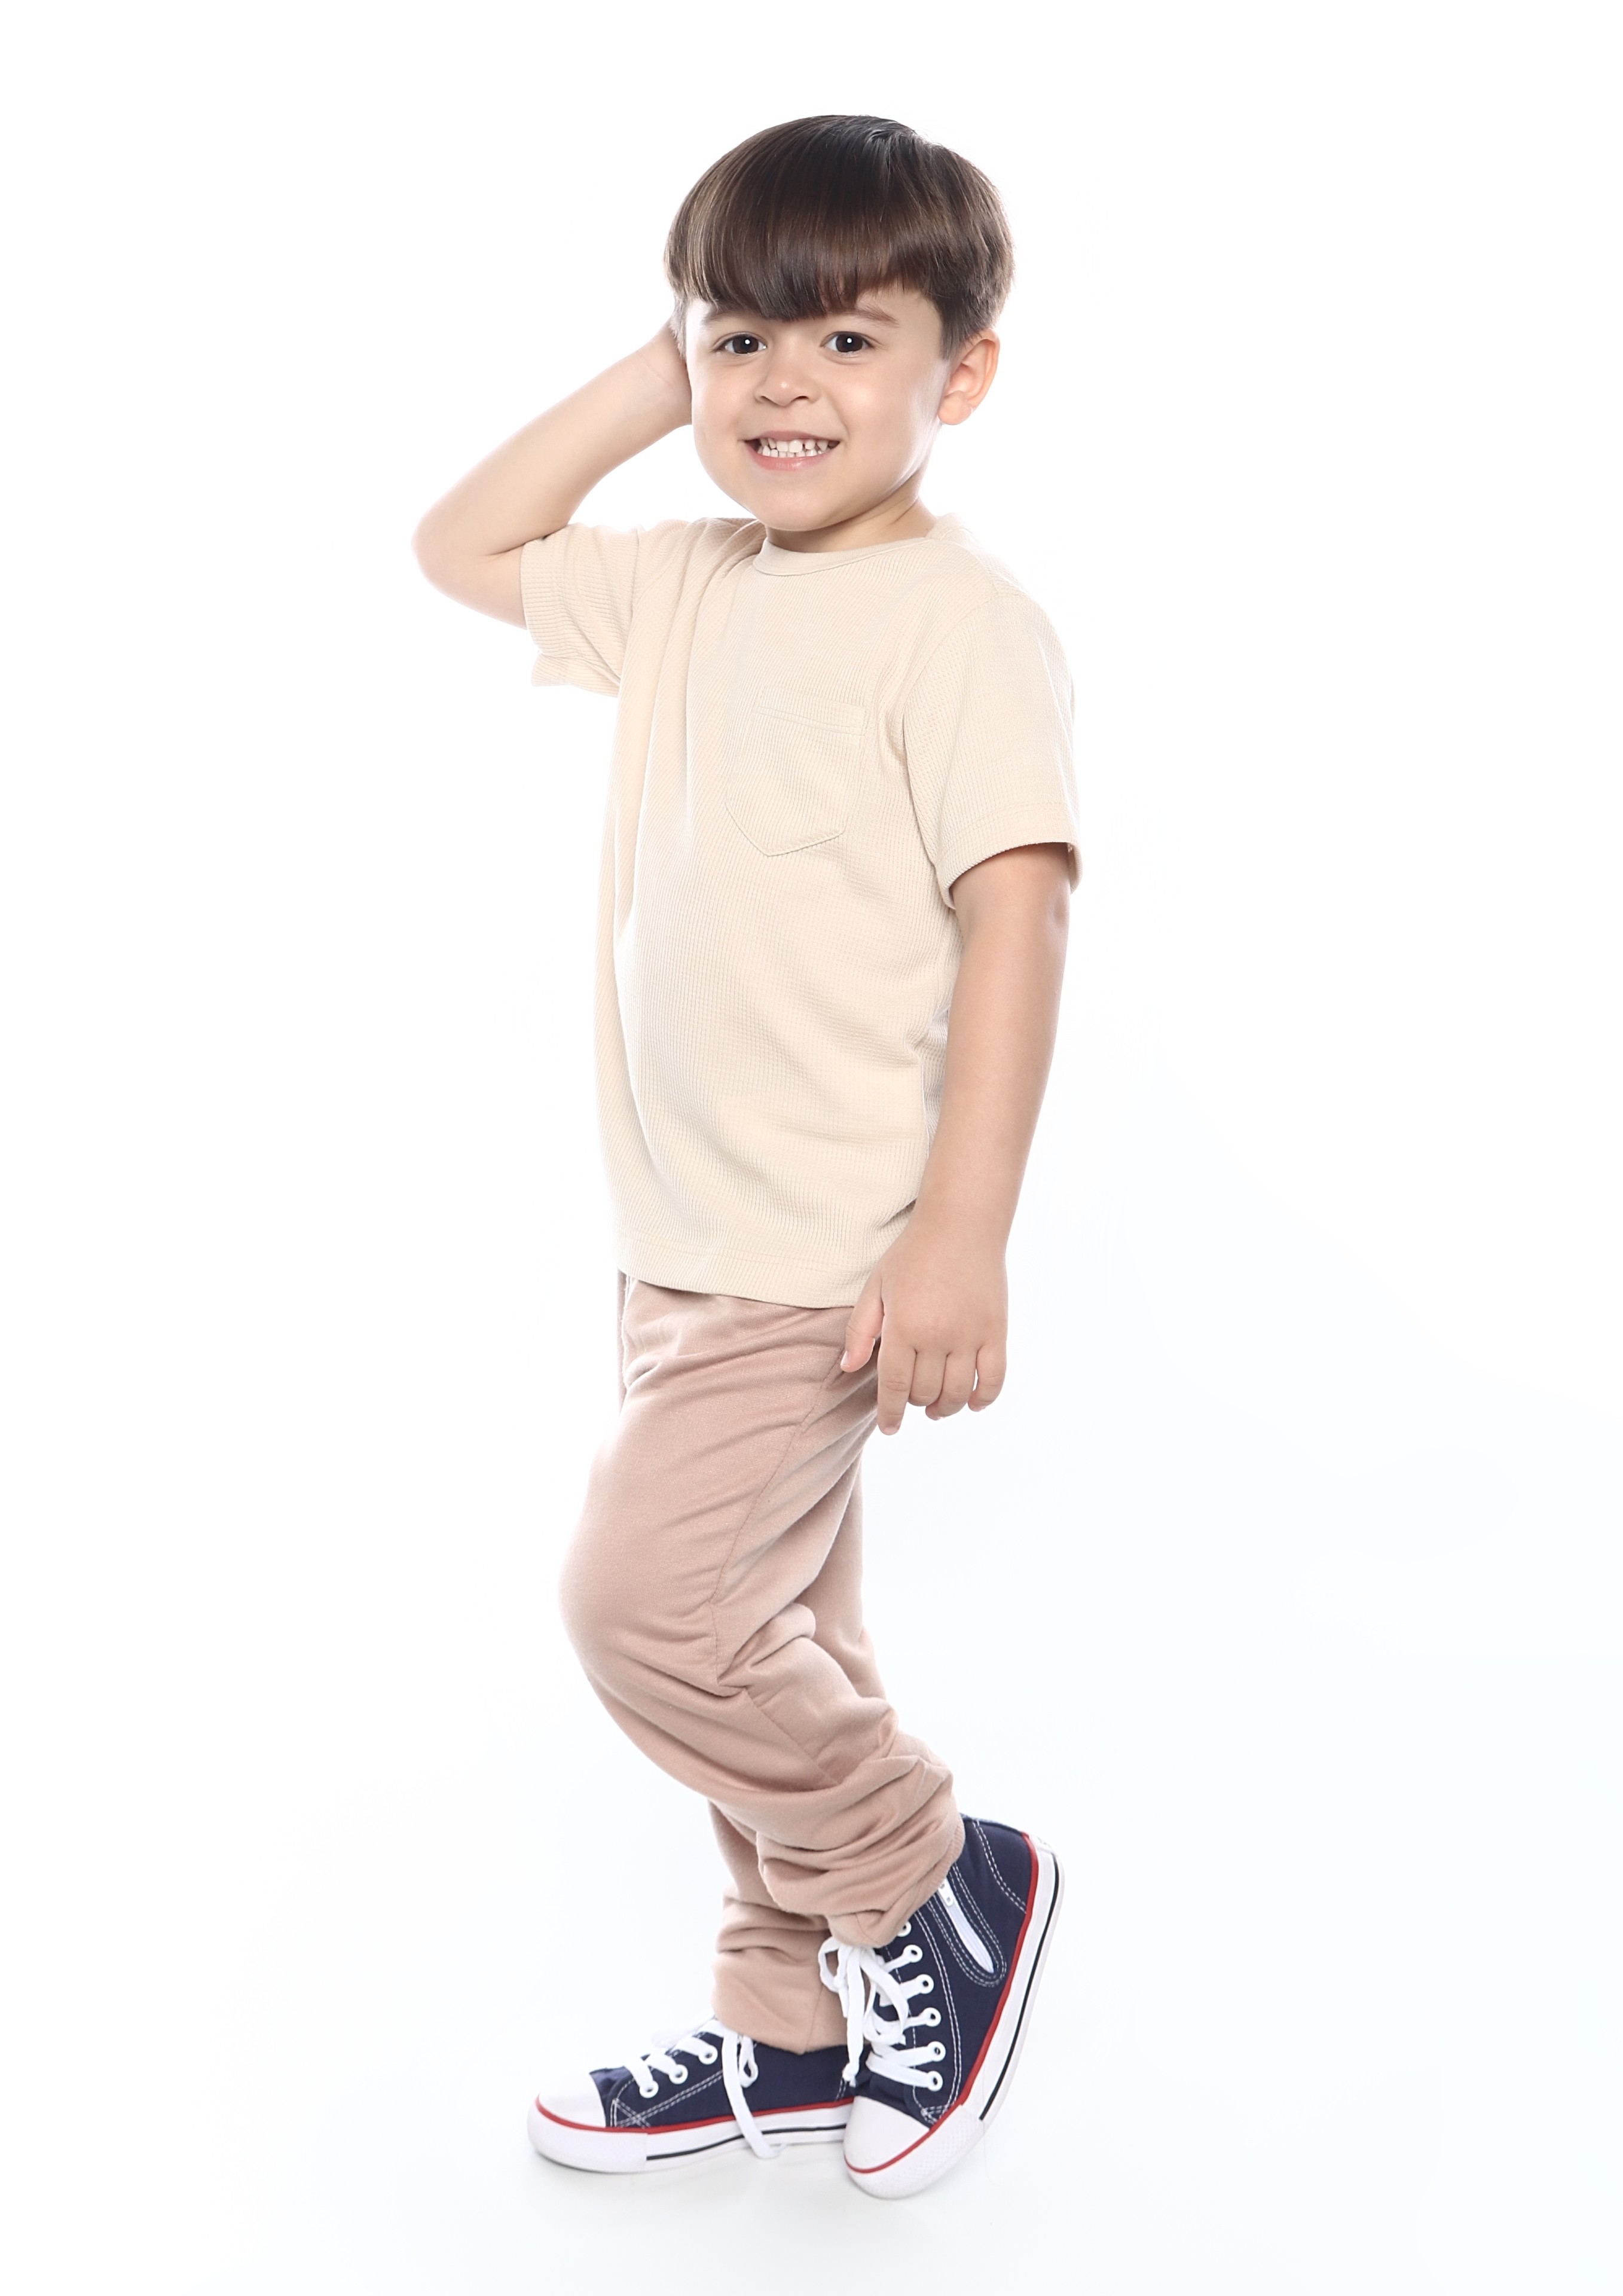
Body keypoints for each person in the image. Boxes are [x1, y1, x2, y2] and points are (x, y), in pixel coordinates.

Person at [412, 113, 1077, 2202]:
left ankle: (936, 1874)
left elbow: (1018, 915)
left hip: (825, 1249)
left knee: (650, 1615)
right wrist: (663, 361)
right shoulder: (691, 584)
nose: (784, 386)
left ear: (962, 372)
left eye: (847, 340)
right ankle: (788, 2035)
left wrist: (960, 1235)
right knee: (778, 1642)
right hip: (675, 1238)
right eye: (740, 341)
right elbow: (459, 542)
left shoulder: (956, 622)